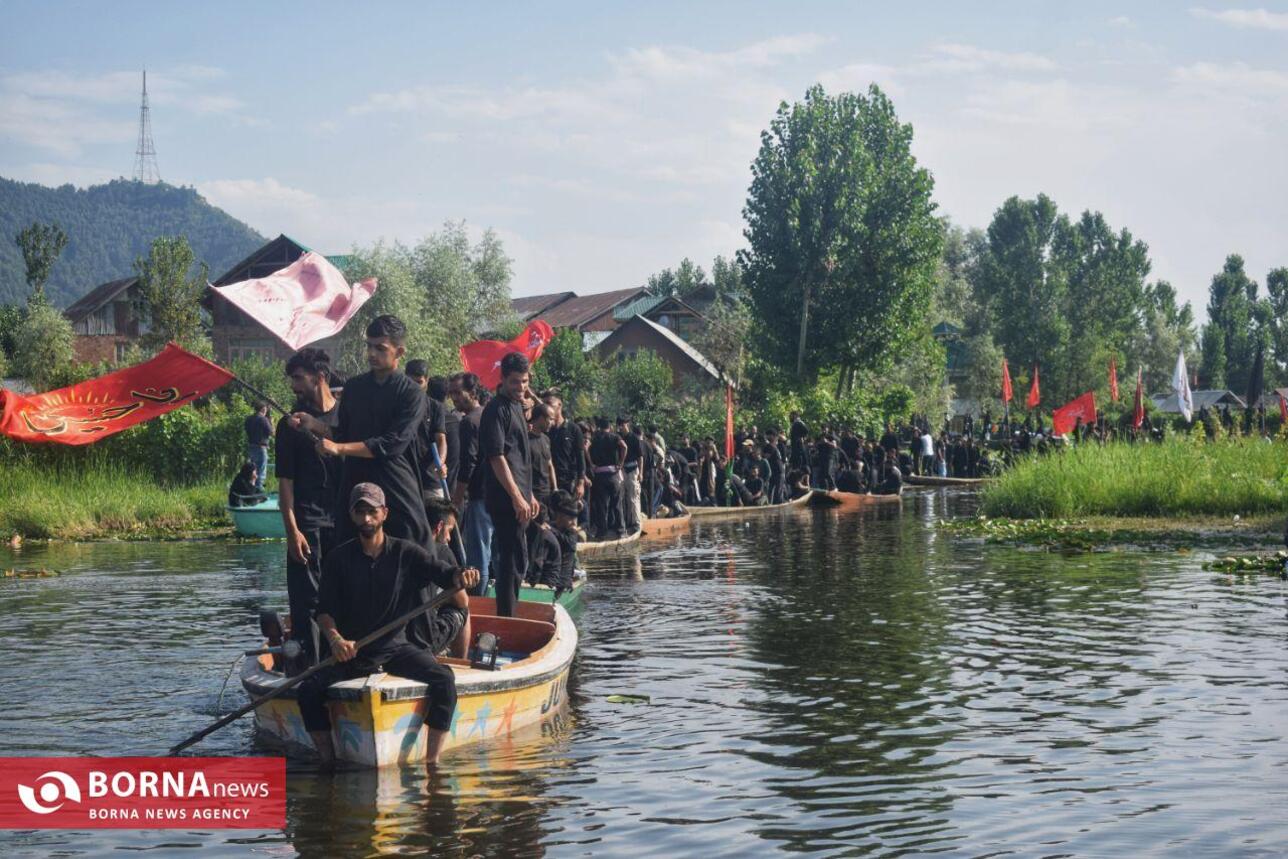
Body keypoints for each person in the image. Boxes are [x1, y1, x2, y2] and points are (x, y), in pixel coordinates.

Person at [299, 483, 479, 769]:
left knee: (444, 681)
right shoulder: (337, 559)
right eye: (361, 512)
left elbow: (444, 574)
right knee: (308, 690)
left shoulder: (406, 553)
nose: (367, 519)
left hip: (397, 649)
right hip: (354, 652)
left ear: (384, 513)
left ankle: (432, 762)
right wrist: (335, 640)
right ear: (352, 515)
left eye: (372, 512)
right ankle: (328, 762)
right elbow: (324, 612)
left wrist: (462, 575)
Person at [292, 315, 429, 548]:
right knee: (348, 550)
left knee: (413, 547)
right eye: (369, 346)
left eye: (380, 348)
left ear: (400, 352)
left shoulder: (412, 393)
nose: (372, 354)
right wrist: (315, 425)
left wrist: (338, 448)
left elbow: (392, 444)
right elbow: (344, 434)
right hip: (355, 480)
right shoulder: (354, 387)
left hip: (394, 481)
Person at [276, 347, 341, 665]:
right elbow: (284, 482)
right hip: (308, 522)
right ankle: (308, 670)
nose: (294, 387)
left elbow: (355, 441)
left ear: (321, 377)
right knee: (307, 603)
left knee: (345, 597)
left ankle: (343, 663)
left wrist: (316, 427)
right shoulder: (287, 426)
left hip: (345, 521)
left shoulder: (346, 416)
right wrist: (292, 531)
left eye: (299, 379)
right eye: (292, 380)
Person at [480, 352, 538, 618]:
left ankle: (510, 611)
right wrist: (516, 496)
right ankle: (507, 617)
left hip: (521, 495)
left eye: (525, 382)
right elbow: (497, 457)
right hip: (505, 498)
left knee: (518, 557)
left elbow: (520, 457)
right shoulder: (495, 410)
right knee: (511, 559)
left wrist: (530, 494)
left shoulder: (517, 406)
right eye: (515, 382)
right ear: (503, 380)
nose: (521, 388)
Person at [450, 372, 491, 595]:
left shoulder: (469, 422)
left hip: (479, 495)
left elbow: (468, 463)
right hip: (493, 493)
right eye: (452, 393)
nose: (454, 398)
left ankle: (478, 601)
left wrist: (457, 497)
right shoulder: (488, 416)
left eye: (458, 392)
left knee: (478, 553)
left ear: (473, 393)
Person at [423, 498, 471, 658]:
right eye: (449, 530)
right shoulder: (443, 552)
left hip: (397, 635)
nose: (449, 538)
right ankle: (460, 662)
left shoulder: (403, 545)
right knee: (463, 609)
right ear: (439, 526)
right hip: (424, 640)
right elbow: (463, 601)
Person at [406, 359, 449, 502]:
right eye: (410, 382)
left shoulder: (435, 407)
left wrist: (441, 463)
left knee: (436, 522)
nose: (415, 387)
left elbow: (441, 439)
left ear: (427, 381)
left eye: (419, 382)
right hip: (405, 476)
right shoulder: (396, 406)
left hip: (430, 477)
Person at [589, 416, 627, 537]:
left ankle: (602, 532)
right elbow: (624, 447)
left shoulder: (595, 438)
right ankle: (621, 531)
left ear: (600, 427)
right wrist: (620, 463)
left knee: (602, 505)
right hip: (613, 474)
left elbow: (585, 448)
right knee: (617, 503)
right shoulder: (615, 437)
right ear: (609, 427)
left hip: (599, 475)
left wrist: (591, 464)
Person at [244, 402, 273, 492]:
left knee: (252, 472)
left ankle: (251, 491)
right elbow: (271, 432)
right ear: (263, 409)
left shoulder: (248, 419)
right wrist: (271, 422)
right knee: (260, 473)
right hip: (261, 448)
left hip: (251, 447)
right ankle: (259, 493)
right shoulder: (263, 420)